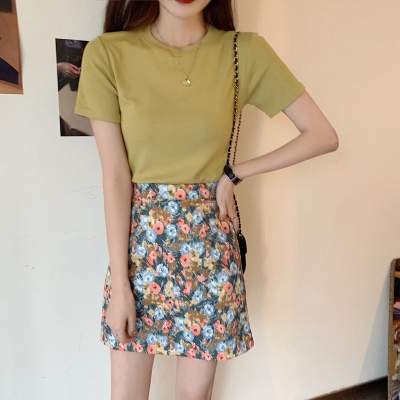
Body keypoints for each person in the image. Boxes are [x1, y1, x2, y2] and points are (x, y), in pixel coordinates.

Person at [74, 1, 339, 399]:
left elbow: (322, 135)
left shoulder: (244, 51)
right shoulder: (108, 54)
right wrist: (121, 286)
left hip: (210, 253)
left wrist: (237, 173)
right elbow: (115, 176)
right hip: (138, 254)